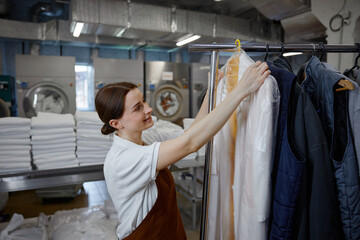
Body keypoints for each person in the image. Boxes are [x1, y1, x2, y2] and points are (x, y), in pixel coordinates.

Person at [95, 61, 270, 240]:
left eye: (144, 101)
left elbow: (189, 132)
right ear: (116, 124)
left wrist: (212, 89)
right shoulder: (124, 159)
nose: (149, 109)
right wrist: (241, 91)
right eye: (138, 108)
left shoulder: (147, 138)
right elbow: (190, 143)